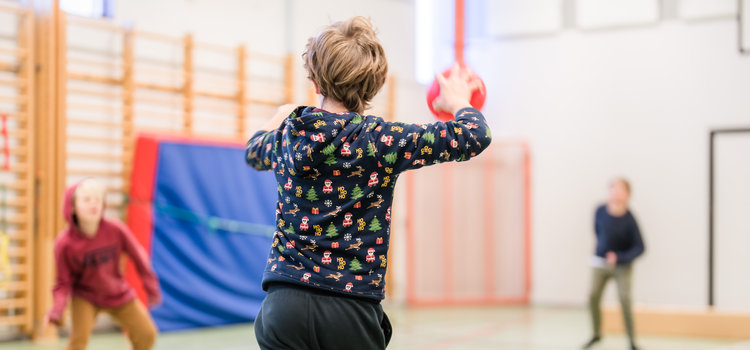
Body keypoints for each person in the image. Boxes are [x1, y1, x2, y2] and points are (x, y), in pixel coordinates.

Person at [245, 16, 491, 350]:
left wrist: (281, 116)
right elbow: (474, 135)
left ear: (315, 82)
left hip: (283, 306)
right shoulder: (381, 141)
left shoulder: (288, 136)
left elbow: (253, 150)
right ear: (372, 85)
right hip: (349, 309)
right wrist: (459, 100)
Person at [45, 179, 160, 350]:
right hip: (85, 296)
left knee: (147, 334)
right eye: (87, 200)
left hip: (117, 293)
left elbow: (139, 257)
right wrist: (57, 310)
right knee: (78, 343)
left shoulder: (116, 230)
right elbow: (62, 283)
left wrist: (151, 286)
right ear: (73, 207)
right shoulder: (64, 244)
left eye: (98, 200)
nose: (94, 204)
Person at [584, 178, 645, 350]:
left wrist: (619, 257)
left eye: (620, 189)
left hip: (622, 267)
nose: (616, 192)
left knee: (625, 299)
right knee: (592, 296)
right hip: (599, 263)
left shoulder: (630, 219)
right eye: (613, 188)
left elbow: (640, 247)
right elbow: (597, 231)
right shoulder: (600, 211)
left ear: (628, 194)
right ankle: (596, 334)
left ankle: (632, 340)